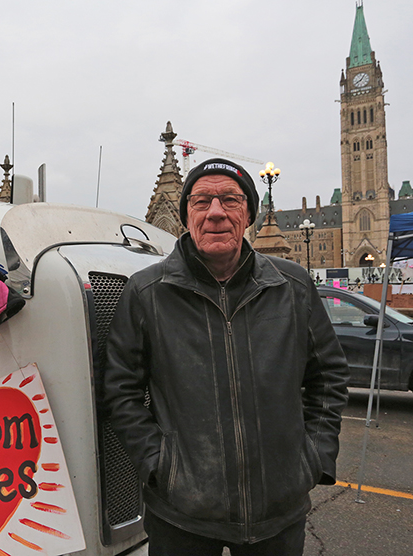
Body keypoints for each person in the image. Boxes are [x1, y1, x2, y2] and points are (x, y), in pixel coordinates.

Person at [104, 158, 349, 555]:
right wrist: (159, 467)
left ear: (248, 213)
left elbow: (329, 377)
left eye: (229, 200)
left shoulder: (292, 286)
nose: (215, 212)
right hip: (182, 515)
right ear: (186, 216)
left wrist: (313, 459)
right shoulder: (146, 292)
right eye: (201, 201)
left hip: (278, 515)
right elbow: (121, 390)